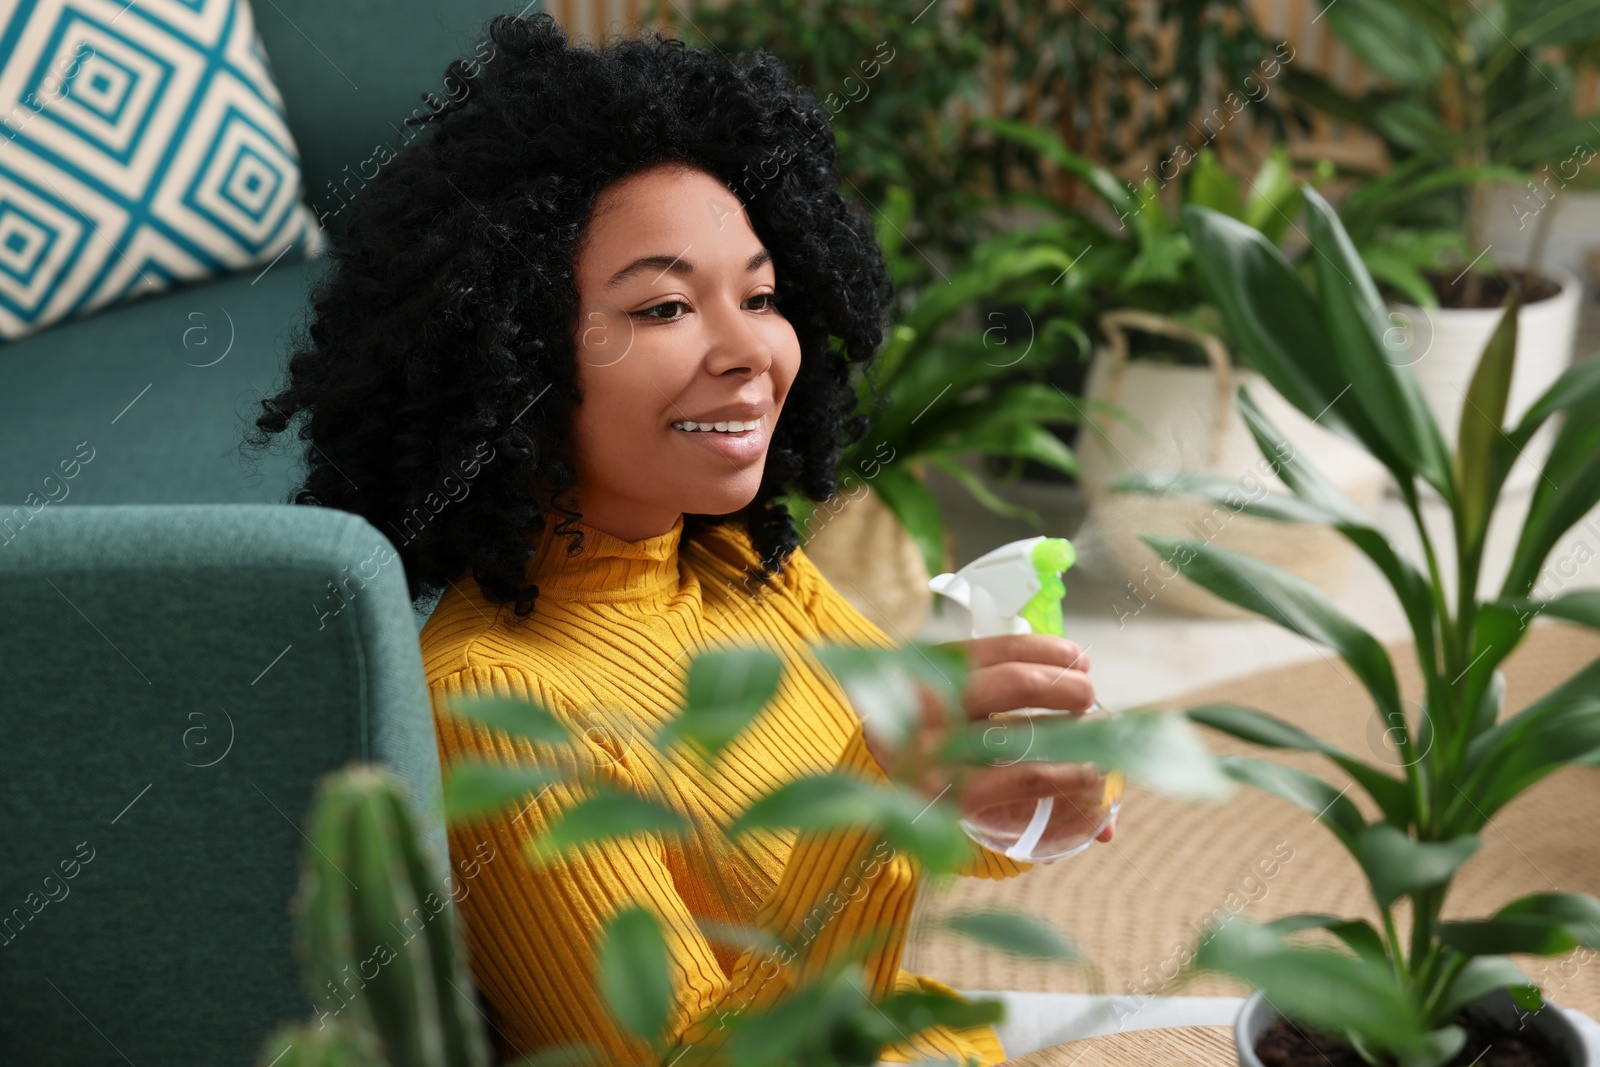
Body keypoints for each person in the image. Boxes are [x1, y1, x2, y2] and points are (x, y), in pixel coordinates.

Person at [245, 12, 1113, 1065]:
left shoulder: (745, 567)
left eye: (759, 294)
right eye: (663, 307)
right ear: (512, 355)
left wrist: (1012, 804)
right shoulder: (495, 709)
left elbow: (911, 816)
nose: (748, 348)